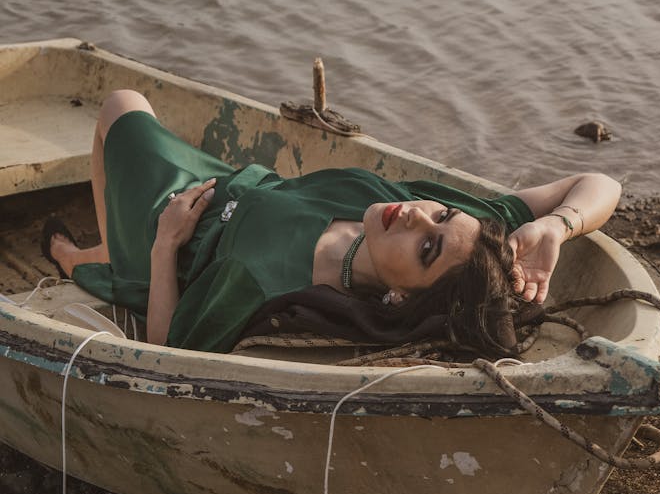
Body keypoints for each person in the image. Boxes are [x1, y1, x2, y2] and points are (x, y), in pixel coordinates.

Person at [44, 90, 622, 356]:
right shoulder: (439, 226)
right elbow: (596, 184)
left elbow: (165, 349)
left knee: (121, 106)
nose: (419, 215)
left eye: (427, 247)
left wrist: (165, 244)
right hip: (230, 181)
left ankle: (100, 255)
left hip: (174, 223)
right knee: (126, 108)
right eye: (442, 214)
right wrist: (557, 227)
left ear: (397, 297)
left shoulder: (270, 281)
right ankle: (98, 250)